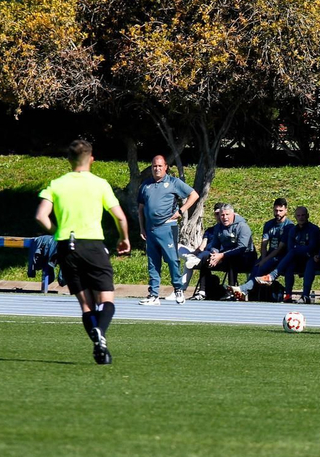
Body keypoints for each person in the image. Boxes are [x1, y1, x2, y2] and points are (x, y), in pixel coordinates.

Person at [34, 139, 131, 364]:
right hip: (93, 245)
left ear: (69, 160)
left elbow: (40, 216)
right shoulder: (99, 184)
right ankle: (101, 332)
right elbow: (120, 217)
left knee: (86, 305)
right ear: (92, 159)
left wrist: (57, 230)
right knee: (106, 299)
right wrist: (123, 238)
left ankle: (100, 346)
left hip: (66, 246)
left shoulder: (57, 184)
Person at [136, 154, 199, 306]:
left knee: (172, 260)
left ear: (165, 167)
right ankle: (154, 295)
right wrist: (142, 227)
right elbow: (140, 208)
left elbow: (194, 195)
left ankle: (178, 289)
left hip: (167, 227)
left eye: (159, 166)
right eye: (154, 166)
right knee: (152, 262)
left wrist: (181, 211)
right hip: (150, 230)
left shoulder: (173, 182)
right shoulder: (145, 185)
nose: (157, 169)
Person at [190, 203, 255, 299]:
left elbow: (242, 248)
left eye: (227, 215)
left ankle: (231, 292)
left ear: (233, 215)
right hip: (226, 255)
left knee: (233, 259)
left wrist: (222, 255)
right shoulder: (218, 227)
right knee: (205, 257)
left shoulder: (242, 226)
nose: (225, 218)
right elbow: (215, 245)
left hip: (245, 257)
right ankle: (202, 291)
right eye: (222, 215)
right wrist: (214, 254)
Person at [233, 198, 293, 301]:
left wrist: (265, 261)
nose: (277, 213)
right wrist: (263, 258)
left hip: (282, 256)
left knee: (262, 266)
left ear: (286, 210)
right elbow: (264, 243)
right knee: (257, 266)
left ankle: (243, 289)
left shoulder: (289, 226)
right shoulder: (269, 224)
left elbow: (280, 248)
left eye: (280, 211)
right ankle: (247, 292)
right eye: (275, 210)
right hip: (269, 255)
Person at [276, 206, 320, 302]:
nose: (301, 218)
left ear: (307, 216)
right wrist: (300, 250)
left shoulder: (314, 229)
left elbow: (312, 248)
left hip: (314, 258)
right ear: (295, 217)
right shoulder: (293, 230)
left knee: (310, 263)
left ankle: (305, 295)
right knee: (290, 264)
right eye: (298, 216)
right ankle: (288, 295)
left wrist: (297, 250)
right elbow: (290, 248)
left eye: (303, 215)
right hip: (298, 258)